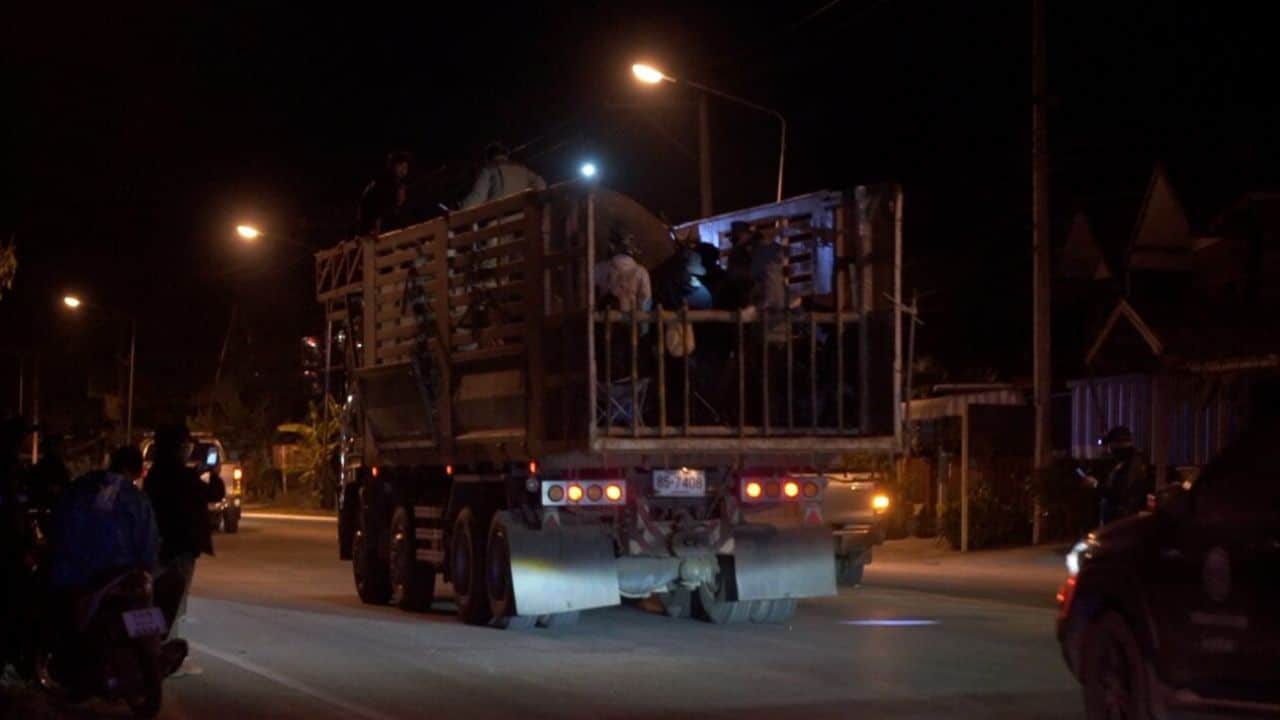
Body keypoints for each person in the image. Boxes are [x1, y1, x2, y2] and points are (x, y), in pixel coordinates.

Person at [144, 424, 224, 674]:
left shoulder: (155, 476)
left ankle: (152, 650)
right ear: (178, 448)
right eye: (186, 445)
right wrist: (212, 474)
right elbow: (213, 493)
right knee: (174, 602)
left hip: (158, 546)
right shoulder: (182, 476)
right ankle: (164, 655)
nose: (189, 449)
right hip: (179, 548)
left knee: (157, 599)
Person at [1085, 426, 1151, 526]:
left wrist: (1095, 484)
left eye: (1110, 446)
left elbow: (1118, 494)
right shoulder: (1126, 462)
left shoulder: (1131, 465)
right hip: (1120, 521)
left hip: (1122, 522)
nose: (1109, 450)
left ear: (1118, 445)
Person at [460, 142, 547, 209]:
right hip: (524, 220)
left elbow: (477, 198)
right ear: (506, 155)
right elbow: (541, 185)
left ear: (488, 158)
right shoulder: (523, 170)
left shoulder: (489, 169)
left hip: (500, 223)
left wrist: (461, 207)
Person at [594, 230, 652, 314]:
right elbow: (646, 301)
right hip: (630, 321)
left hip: (603, 318)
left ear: (613, 246)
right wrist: (644, 325)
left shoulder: (600, 268)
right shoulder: (641, 272)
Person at [357, 150, 412, 235]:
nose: (403, 170)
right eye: (400, 166)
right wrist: (375, 227)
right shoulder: (383, 182)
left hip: (384, 226)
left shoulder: (398, 184)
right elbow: (376, 206)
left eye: (405, 167)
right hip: (371, 227)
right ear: (393, 166)